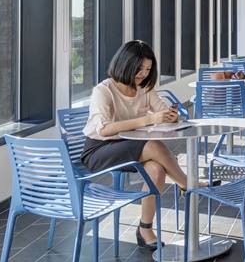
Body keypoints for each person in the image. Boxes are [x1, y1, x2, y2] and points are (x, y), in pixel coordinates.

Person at [82, 40, 198, 249]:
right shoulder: (104, 90)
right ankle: (187, 183)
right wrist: (148, 119)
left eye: (148, 69)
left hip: (129, 145)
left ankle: (144, 229)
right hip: (99, 150)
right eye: (139, 68)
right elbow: (104, 129)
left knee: (156, 170)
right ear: (125, 64)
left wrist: (171, 117)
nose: (143, 74)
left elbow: (162, 111)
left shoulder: (144, 88)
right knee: (152, 144)